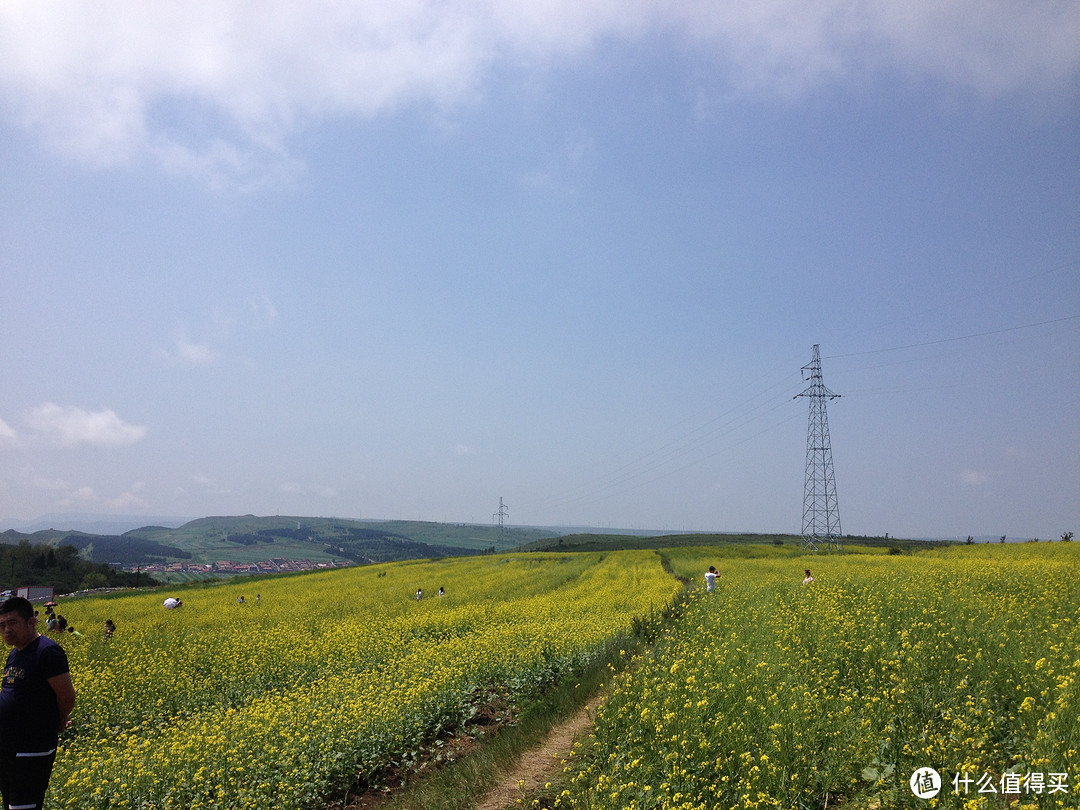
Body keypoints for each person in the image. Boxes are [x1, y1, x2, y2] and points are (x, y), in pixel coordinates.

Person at [0, 596, 76, 810]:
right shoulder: (15, 654)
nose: (6, 630)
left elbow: (67, 696)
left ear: (31, 622)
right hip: (9, 749)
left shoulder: (47, 651)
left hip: (31, 748)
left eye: (12, 623)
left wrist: (59, 720)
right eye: (2, 625)